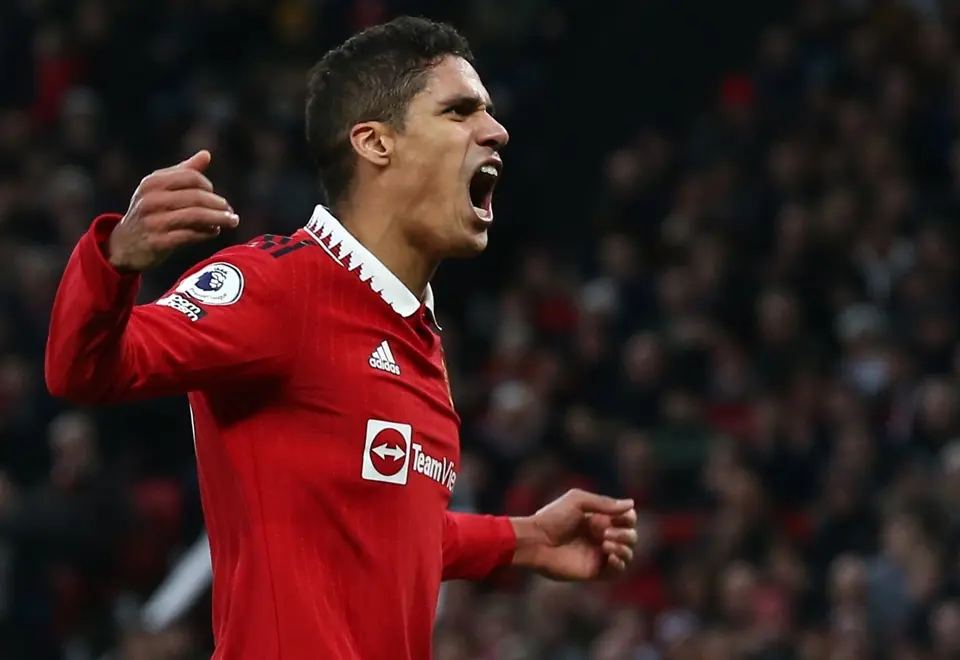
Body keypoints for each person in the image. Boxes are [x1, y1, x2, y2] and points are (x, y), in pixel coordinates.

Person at [45, 16, 638, 660]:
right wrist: (114, 260)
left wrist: (525, 539)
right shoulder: (275, 286)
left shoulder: (416, 335)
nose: (496, 130)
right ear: (376, 143)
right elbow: (85, 371)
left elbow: (388, 529)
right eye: (459, 111)